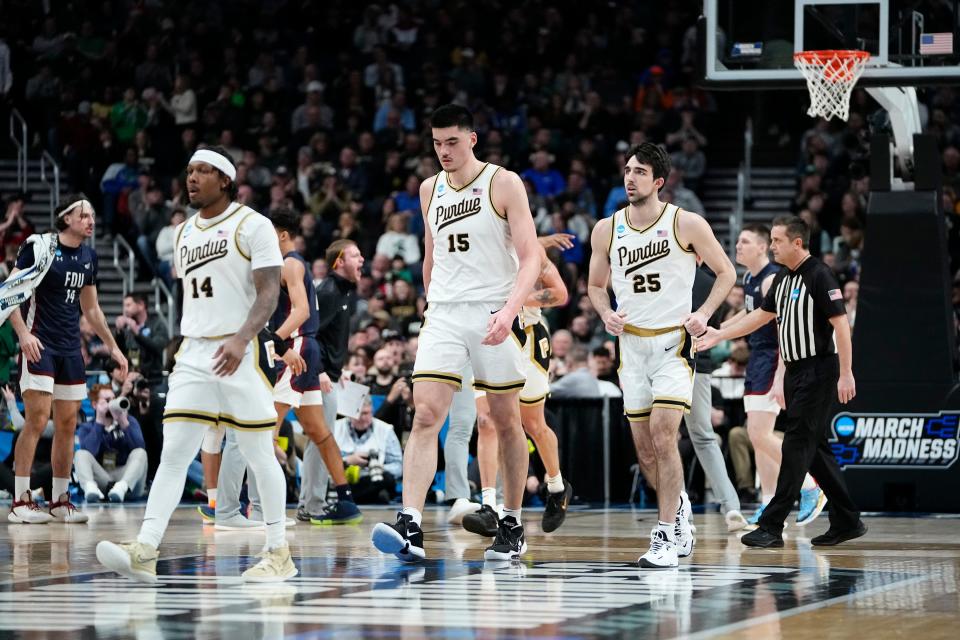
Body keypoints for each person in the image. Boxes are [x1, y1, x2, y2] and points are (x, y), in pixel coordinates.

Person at [96, 146, 297, 583]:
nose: (192, 178)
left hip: (241, 351)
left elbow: (269, 293)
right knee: (173, 453)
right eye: (189, 170)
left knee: (260, 453)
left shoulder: (253, 224)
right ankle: (146, 548)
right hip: (193, 353)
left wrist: (242, 339)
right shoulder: (183, 231)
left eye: (203, 171)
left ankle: (278, 551)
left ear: (225, 179)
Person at [371, 104, 540, 562]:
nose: (443, 151)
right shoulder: (429, 189)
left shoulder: (503, 183)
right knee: (425, 415)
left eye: (451, 141)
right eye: (436, 142)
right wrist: (431, 307)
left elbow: (531, 257)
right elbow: (431, 256)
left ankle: (511, 521)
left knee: (504, 422)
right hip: (444, 312)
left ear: (472, 139)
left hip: (493, 310)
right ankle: (410, 523)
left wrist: (510, 310)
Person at [587, 142, 735, 568]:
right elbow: (596, 285)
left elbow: (726, 272)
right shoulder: (606, 229)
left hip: (674, 343)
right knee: (646, 453)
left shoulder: (685, 223)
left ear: (658, 182)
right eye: (627, 170)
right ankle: (681, 507)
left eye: (639, 172)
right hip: (630, 346)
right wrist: (604, 312)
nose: (629, 178)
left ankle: (665, 535)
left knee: (664, 434)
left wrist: (704, 313)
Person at [698, 216, 866, 548]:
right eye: (771, 240)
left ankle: (772, 524)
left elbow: (842, 327)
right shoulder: (783, 280)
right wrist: (720, 335)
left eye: (776, 241)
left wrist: (846, 373)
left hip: (819, 369)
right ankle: (847, 520)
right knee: (816, 451)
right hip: (794, 371)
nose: (772, 246)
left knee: (795, 445)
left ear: (797, 243)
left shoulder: (819, 275)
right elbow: (758, 317)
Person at [6, 196, 128, 524]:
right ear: (65, 219)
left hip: (71, 349)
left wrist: (112, 346)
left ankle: (60, 501)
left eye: (91, 214)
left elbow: (92, 309)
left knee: (67, 423)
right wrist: (23, 335)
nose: (90, 220)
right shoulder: (39, 248)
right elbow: (9, 292)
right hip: (38, 345)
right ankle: (20, 501)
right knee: (36, 419)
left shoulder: (89, 255)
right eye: (82, 214)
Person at [463, 244, 572, 537]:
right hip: (490, 332)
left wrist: (518, 299)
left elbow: (560, 294)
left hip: (529, 337)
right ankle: (488, 505)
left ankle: (557, 487)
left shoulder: (531, 249)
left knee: (532, 423)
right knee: (486, 421)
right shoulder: (479, 241)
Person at [267, 208, 361, 525]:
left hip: (296, 349)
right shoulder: (303, 269)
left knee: (266, 429)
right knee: (319, 433)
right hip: (305, 352)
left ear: (281, 234)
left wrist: (275, 340)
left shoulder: (291, 263)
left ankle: (260, 507)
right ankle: (344, 499)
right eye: (355, 255)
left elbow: (304, 311)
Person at [730, 224, 826, 527]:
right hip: (758, 358)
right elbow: (749, 314)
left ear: (760, 247)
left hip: (773, 357)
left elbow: (786, 326)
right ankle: (770, 505)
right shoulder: (749, 277)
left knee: (758, 433)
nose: (737, 246)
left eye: (745, 242)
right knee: (758, 439)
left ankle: (810, 484)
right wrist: (716, 327)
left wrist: (784, 372)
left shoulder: (772, 279)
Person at [296, 237, 365, 521]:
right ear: (339, 262)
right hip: (316, 376)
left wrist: (340, 369)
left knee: (321, 439)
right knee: (320, 439)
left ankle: (309, 501)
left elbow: (330, 337)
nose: (362, 260)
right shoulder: (327, 292)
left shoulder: (344, 291)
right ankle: (311, 504)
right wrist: (321, 370)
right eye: (355, 255)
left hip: (330, 375)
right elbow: (309, 333)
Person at [685, 266, 747, 532]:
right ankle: (731, 506)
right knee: (705, 437)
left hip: (668, 360)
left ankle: (679, 511)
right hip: (701, 360)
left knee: (662, 440)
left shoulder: (667, 271)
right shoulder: (716, 281)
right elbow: (716, 326)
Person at [75, 384, 147, 503]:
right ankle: (90, 489)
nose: (112, 403)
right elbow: (90, 451)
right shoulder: (87, 427)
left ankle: (122, 488)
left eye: (114, 399)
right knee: (81, 454)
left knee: (140, 453)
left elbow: (139, 447)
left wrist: (123, 422)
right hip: (103, 479)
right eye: (107, 401)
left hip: (128, 481)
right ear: (94, 405)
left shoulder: (129, 421)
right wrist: (99, 421)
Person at [332, 398, 403, 504]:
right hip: (344, 480)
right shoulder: (335, 428)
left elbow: (399, 466)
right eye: (358, 414)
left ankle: (349, 497)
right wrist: (347, 461)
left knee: (387, 479)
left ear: (372, 411)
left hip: (375, 477)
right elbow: (323, 464)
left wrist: (378, 467)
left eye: (366, 413)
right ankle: (368, 496)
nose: (362, 418)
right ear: (349, 413)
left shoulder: (385, 430)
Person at [114, 293, 168, 386]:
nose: (125, 309)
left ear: (141, 305)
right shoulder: (127, 329)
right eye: (124, 306)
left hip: (154, 380)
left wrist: (137, 334)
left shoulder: (157, 324)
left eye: (128, 305)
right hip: (132, 379)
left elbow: (157, 347)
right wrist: (119, 332)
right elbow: (120, 351)